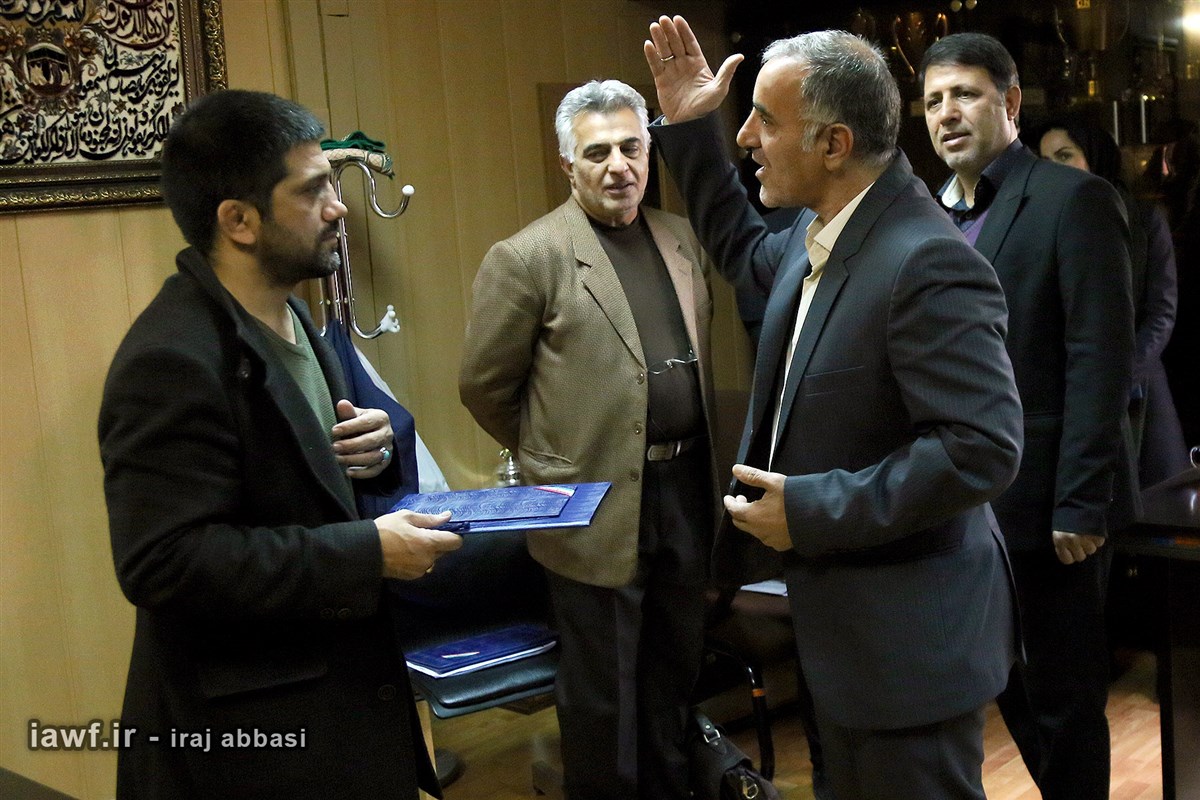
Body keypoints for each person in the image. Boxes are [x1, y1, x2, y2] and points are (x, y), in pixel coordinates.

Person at [644, 16, 1024, 800]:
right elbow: (741, 249)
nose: (745, 136)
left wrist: (811, 510)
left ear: (834, 144)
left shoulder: (926, 258)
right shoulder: (819, 230)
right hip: (844, 640)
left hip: (908, 647)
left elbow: (981, 449)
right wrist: (690, 131)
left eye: (764, 120)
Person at [99, 89, 464, 800]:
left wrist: (370, 455)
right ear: (238, 221)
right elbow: (163, 563)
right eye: (312, 190)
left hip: (341, 715)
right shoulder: (170, 358)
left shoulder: (292, 313)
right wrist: (365, 552)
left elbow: (300, 482)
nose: (339, 207)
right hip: (252, 750)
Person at [458, 79, 720, 800]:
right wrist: (557, 454)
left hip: (686, 490)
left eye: (631, 147)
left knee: (673, 681)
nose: (618, 166)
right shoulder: (528, 257)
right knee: (605, 699)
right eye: (597, 152)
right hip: (588, 503)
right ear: (567, 164)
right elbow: (484, 386)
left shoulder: (680, 238)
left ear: (649, 152)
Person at [919, 34, 1137, 800]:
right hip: (960, 505)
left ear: (1009, 102)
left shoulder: (1072, 199)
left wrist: (1081, 502)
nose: (947, 113)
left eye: (965, 94)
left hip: (1050, 505)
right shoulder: (926, 214)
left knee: (1064, 701)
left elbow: (1100, 360)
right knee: (1000, 683)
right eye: (933, 100)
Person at [1037, 116, 1189, 486]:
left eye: (1064, 155)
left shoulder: (1144, 221)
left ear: (1095, 157)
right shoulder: (1041, 227)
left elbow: (1161, 312)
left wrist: (1119, 376)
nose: (1052, 169)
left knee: (1153, 498)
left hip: (1137, 387)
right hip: (1067, 394)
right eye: (1044, 161)